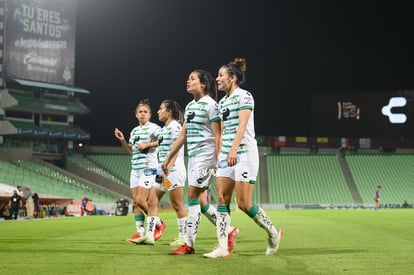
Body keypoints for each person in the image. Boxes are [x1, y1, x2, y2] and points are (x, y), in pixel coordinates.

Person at [204, 58, 282, 258]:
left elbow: (242, 126)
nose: (217, 79)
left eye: (221, 75)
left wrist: (233, 150)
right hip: (226, 155)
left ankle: (273, 232)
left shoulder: (245, 96)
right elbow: (221, 132)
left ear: (233, 78)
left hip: (244, 152)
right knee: (222, 198)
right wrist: (219, 155)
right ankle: (222, 247)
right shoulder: (222, 102)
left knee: (244, 203)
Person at [164, 69, 239, 255]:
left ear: (202, 84)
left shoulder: (212, 105)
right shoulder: (189, 106)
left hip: (207, 156)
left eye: (192, 79)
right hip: (194, 157)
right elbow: (183, 135)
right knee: (201, 201)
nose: (188, 81)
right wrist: (168, 158)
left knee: (192, 197)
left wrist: (218, 159)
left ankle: (189, 244)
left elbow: (218, 134)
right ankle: (229, 231)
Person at [133, 99, 187, 245]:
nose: (158, 111)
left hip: (173, 170)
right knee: (151, 201)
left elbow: (176, 148)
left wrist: (168, 168)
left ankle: (183, 237)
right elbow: (161, 146)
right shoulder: (164, 129)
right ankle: (149, 236)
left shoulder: (176, 127)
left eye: (161, 109)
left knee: (177, 204)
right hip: (161, 171)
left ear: (168, 112)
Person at [114, 99, 166, 243]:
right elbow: (130, 152)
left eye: (145, 112)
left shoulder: (154, 128)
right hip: (135, 169)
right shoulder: (134, 131)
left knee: (140, 199)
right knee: (135, 203)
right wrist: (123, 140)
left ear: (150, 115)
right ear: (136, 115)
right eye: (140, 112)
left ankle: (159, 224)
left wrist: (148, 144)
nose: (142, 114)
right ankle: (140, 232)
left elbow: (165, 139)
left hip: (149, 168)